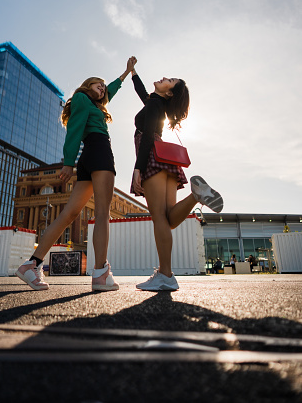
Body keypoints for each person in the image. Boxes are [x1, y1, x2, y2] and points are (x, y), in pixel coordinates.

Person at [16, 56, 137, 292]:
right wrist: (67, 163)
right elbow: (74, 129)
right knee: (102, 214)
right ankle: (101, 273)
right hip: (99, 152)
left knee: (69, 214)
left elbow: (111, 90)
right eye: (97, 84)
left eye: (103, 87)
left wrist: (125, 73)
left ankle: (32, 265)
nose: (102, 88)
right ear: (86, 86)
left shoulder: (94, 104)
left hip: (89, 157)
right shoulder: (83, 99)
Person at [130, 68, 224, 291]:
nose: (164, 77)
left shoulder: (155, 105)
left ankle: (165, 275)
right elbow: (144, 94)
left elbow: (146, 138)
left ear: (169, 93)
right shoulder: (156, 103)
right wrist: (133, 73)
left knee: (159, 219)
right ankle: (196, 195)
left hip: (151, 155)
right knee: (169, 219)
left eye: (169, 81)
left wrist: (138, 168)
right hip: (166, 159)